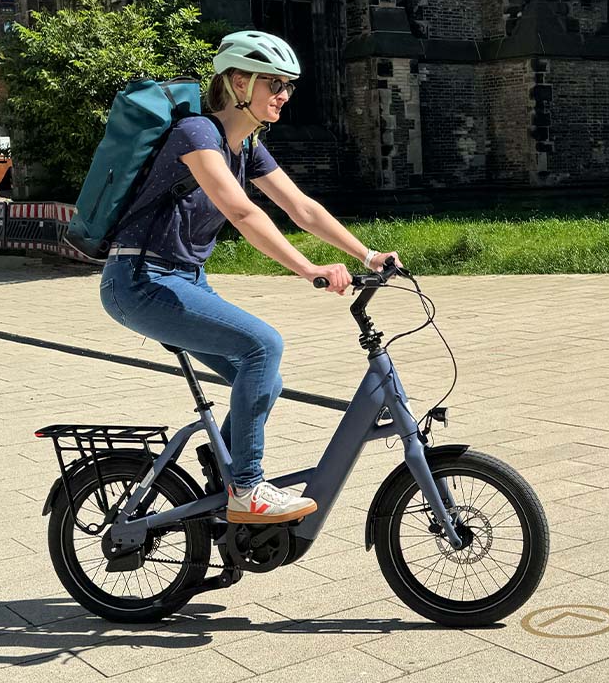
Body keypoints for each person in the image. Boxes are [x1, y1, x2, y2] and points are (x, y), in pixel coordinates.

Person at [100, 31, 401, 524]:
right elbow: (241, 212)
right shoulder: (196, 134)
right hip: (139, 279)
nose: (284, 95)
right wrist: (308, 269)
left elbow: (301, 208)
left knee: (262, 375)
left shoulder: (246, 147)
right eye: (275, 84)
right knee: (263, 345)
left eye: (289, 86)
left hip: (183, 279)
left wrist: (366, 255)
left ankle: (223, 477)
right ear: (239, 81)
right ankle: (247, 488)